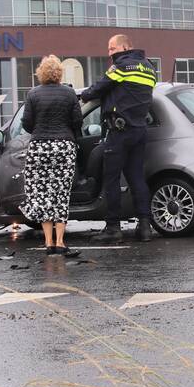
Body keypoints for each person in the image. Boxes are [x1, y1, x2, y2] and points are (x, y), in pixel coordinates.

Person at [79, 34, 157, 242]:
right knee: (136, 178)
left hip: (119, 131)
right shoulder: (149, 68)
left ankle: (113, 227)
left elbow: (99, 88)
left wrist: (82, 96)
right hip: (139, 130)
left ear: (124, 47)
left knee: (111, 178)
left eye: (112, 48)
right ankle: (144, 226)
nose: (110, 53)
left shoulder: (122, 66)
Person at [18, 55, 83, 256]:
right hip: (64, 147)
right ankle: (61, 242)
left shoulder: (33, 94)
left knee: (43, 195)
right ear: (59, 73)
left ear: (41, 73)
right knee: (61, 194)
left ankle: (48, 242)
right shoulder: (70, 93)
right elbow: (77, 121)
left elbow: (27, 123)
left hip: (39, 148)